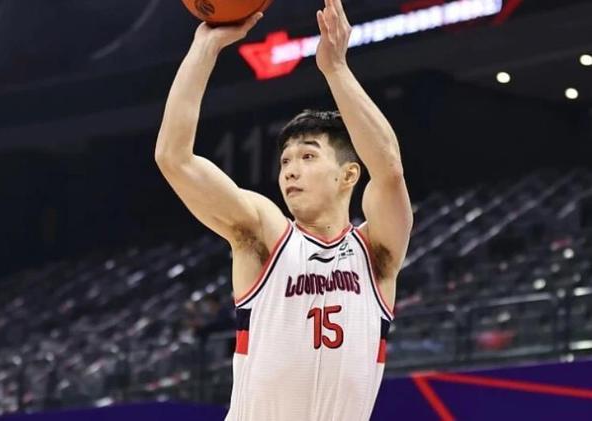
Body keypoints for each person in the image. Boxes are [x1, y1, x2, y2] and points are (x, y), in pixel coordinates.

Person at [154, 0, 413, 419]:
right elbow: (174, 159)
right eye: (285, 161)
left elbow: (389, 170)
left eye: (308, 157)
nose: (290, 170)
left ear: (348, 175)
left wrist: (336, 69)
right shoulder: (265, 232)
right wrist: (204, 49)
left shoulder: (377, 253)